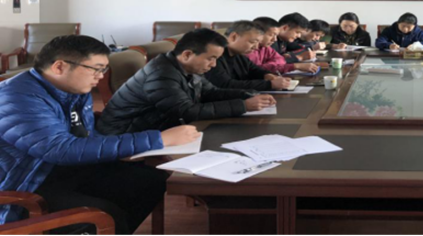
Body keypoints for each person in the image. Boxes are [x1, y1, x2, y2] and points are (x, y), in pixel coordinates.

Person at [0, 36, 200, 234]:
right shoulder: (16, 98)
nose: (101, 77)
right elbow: (60, 149)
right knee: (106, 215)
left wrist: (127, 150)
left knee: (150, 181)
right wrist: (158, 139)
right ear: (59, 67)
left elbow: (86, 136)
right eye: (95, 69)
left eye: (103, 69)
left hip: (58, 170)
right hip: (23, 186)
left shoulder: (73, 90)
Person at [97, 29, 275, 135]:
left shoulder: (186, 67)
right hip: (126, 134)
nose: (214, 65)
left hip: (157, 126)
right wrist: (243, 106)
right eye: (211, 58)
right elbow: (186, 111)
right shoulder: (162, 74)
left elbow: (211, 92)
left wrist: (249, 95)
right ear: (187, 54)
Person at [204, 21, 291, 92]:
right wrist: (269, 84)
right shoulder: (214, 56)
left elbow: (253, 69)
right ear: (234, 37)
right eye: (253, 42)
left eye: (258, 43)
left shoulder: (238, 55)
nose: (256, 47)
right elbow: (225, 84)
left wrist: (266, 75)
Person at [247, 18, 325, 75]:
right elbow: (258, 71)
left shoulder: (266, 48)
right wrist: (295, 65)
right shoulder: (248, 51)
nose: (274, 39)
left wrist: (271, 65)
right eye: (271, 35)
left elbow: (281, 60)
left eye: (276, 35)